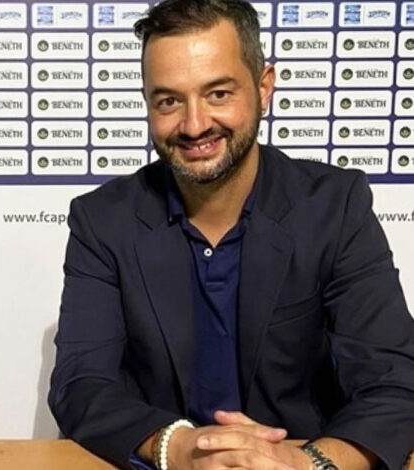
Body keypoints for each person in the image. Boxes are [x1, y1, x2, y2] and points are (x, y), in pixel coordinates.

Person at [48, 1, 414, 469]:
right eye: (169, 101)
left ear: (263, 87)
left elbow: (395, 381)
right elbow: (81, 385)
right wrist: (178, 448)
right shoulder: (102, 220)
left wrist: (308, 464)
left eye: (218, 93)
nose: (195, 124)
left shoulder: (334, 206)